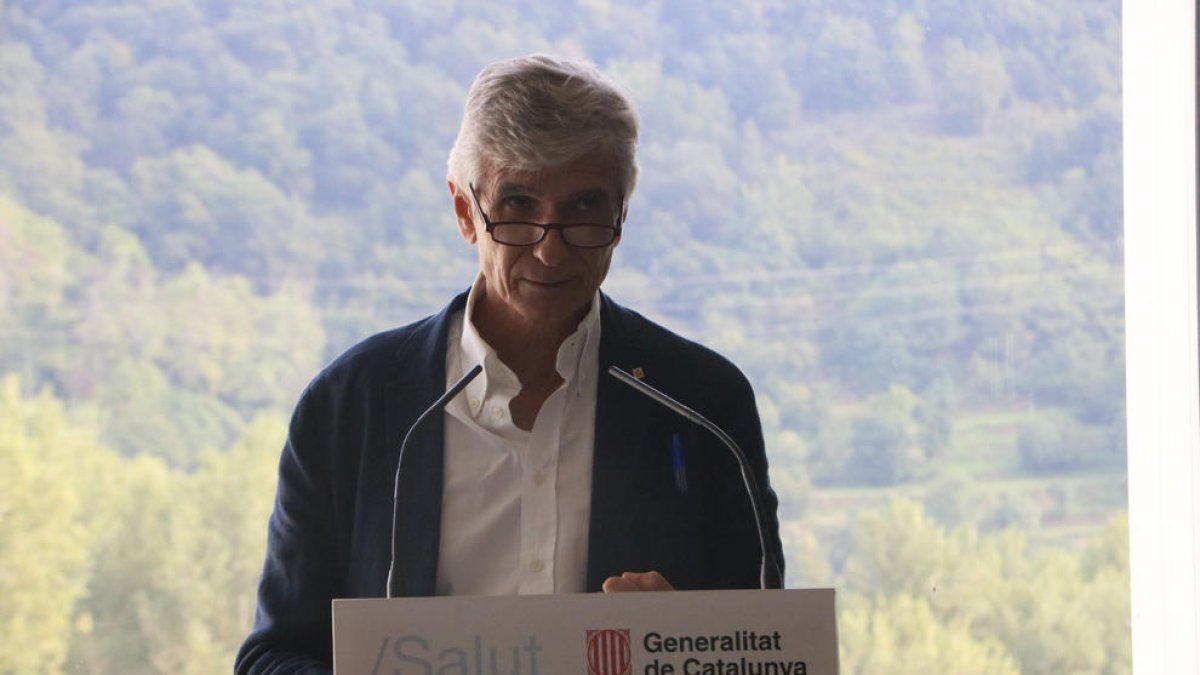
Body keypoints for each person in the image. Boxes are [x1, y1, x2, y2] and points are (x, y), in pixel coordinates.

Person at [235, 54, 783, 675]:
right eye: (518, 204)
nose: (550, 250)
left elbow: (774, 643)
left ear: (621, 216)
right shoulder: (354, 404)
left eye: (583, 208)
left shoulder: (703, 402)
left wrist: (686, 644)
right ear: (466, 212)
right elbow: (274, 657)